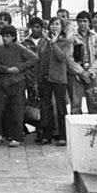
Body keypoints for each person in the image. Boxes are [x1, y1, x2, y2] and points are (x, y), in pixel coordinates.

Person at [0, 25, 39, 147]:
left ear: (13, 37)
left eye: (7, 36)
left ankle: (17, 136)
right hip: (3, 82)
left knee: (17, 110)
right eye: (3, 36)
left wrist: (19, 68)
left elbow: (34, 58)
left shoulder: (20, 48)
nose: (5, 39)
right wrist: (6, 69)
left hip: (17, 82)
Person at [36, 17, 73, 145]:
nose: (54, 26)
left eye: (57, 24)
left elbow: (62, 57)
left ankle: (63, 135)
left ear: (62, 27)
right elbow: (38, 59)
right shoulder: (43, 41)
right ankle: (47, 134)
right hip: (45, 78)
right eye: (52, 24)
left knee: (61, 107)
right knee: (46, 107)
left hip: (59, 79)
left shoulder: (66, 42)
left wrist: (54, 43)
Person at [69, 11, 97, 114]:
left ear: (89, 23)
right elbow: (69, 57)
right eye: (80, 21)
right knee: (76, 104)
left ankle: (95, 127)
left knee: (95, 102)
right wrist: (81, 72)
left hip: (93, 74)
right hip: (77, 75)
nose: (82, 24)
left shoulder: (96, 37)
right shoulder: (72, 37)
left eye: (85, 21)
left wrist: (90, 71)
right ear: (77, 22)